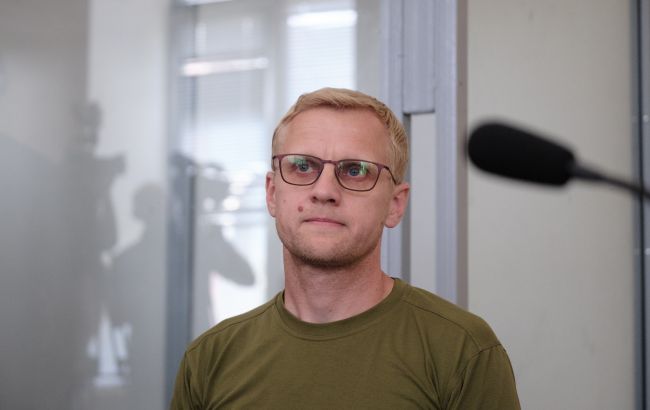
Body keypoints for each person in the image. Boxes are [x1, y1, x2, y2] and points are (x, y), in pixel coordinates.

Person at [170, 88, 520, 409]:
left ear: (395, 205)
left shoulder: (462, 352)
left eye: (355, 170)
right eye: (302, 166)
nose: (324, 191)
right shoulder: (210, 359)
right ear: (272, 193)